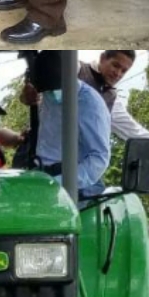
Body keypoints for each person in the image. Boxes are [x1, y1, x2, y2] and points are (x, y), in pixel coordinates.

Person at [31, 51, 111, 200]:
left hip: (73, 180)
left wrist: (61, 183)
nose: (51, 93)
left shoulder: (90, 104)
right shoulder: (48, 94)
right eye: (46, 90)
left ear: (69, 79)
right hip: (41, 174)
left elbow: (99, 158)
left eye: (54, 88)